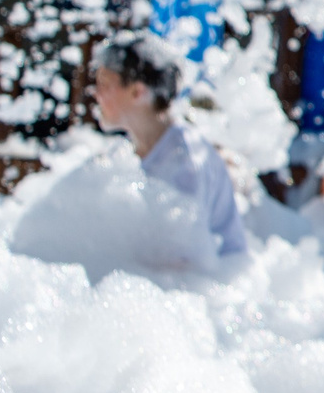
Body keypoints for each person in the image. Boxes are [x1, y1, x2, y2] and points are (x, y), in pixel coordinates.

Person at [91, 34, 248, 260]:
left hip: (215, 284)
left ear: (137, 92)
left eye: (104, 84)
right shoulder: (130, 153)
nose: (96, 94)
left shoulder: (185, 163)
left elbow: (181, 264)